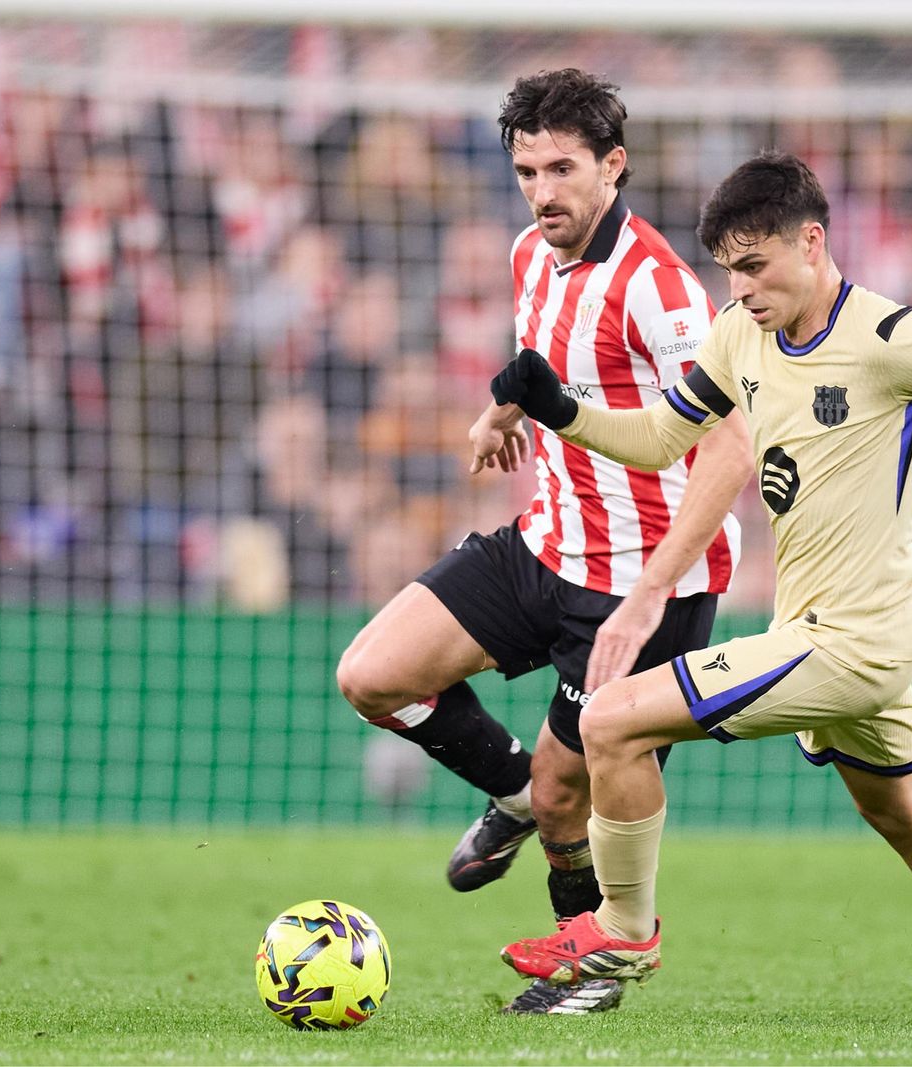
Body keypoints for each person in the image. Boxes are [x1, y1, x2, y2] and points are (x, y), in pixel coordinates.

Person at [477, 151, 912, 1020]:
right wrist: (560, 408)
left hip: (852, 636)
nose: (742, 287)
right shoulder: (738, 335)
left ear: (813, 241)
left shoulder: (893, 339)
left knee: (607, 718)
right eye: (729, 269)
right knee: (901, 809)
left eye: (755, 266)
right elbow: (657, 439)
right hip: (822, 625)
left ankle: (625, 928)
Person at [335, 69, 751, 1015]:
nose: (543, 191)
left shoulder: (662, 291)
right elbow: (544, 368)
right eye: (526, 170)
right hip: (545, 543)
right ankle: (515, 794)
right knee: (371, 675)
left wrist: (653, 590)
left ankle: (586, 975)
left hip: (640, 586)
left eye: (562, 168)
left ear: (614, 165)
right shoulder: (530, 253)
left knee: (577, 798)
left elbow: (730, 447)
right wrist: (498, 414)